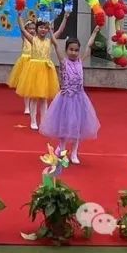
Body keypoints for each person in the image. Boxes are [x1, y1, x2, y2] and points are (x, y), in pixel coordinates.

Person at [40, 25, 102, 164]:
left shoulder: (80, 61)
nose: (74, 52)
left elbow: (89, 45)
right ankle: (62, 151)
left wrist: (95, 32)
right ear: (66, 50)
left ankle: (74, 153)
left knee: (77, 128)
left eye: (76, 50)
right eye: (71, 50)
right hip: (65, 100)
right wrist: (50, 31)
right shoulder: (64, 62)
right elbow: (55, 44)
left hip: (79, 100)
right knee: (64, 128)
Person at [16, 13, 70, 131]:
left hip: (46, 71)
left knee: (44, 98)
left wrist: (65, 18)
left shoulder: (49, 41)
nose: (43, 30)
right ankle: (33, 121)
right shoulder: (33, 39)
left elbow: (60, 31)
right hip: (34, 70)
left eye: (45, 28)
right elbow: (22, 29)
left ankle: (44, 121)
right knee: (34, 97)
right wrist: (19, 15)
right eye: (41, 27)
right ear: (36, 29)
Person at [6, 13, 34, 114]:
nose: (31, 30)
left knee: (33, 86)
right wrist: (19, 16)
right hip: (25, 62)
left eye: (33, 28)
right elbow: (22, 28)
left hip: (34, 64)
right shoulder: (26, 38)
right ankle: (27, 106)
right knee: (26, 86)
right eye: (29, 28)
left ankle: (32, 106)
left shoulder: (36, 40)